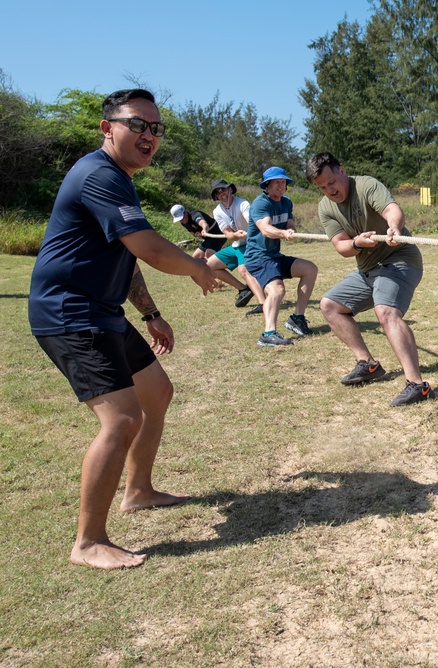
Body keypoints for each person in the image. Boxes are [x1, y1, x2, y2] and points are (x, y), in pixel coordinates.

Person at [27, 88, 218, 570]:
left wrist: (151, 314)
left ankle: (139, 491)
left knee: (156, 391)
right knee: (122, 418)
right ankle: (88, 542)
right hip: (69, 312)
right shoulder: (98, 174)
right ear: (107, 127)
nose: (149, 135)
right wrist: (197, 269)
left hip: (103, 311)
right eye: (138, 124)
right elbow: (151, 249)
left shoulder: (119, 179)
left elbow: (129, 256)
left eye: (156, 128)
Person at [305, 152, 434, 406]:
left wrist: (394, 227)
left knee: (385, 311)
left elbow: (392, 209)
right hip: (368, 269)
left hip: (400, 259)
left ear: (342, 170)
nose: (329, 190)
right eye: (322, 187)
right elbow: (341, 247)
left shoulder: (366, 185)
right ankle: (368, 364)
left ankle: (417, 385)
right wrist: (356, 243)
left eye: (331, 182)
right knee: (329, 305)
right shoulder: (325, 207)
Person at [244, 166, 318, 347]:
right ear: (267, 185)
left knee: (310, 269)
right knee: (277, 290)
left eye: (283, 182)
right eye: (276, 182)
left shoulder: (286, 202)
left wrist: (290, 230)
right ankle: (268, 334)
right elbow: (266, 229)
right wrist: (283, 233)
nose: (281, 185)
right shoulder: (261, 203)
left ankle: (297, 319)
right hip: (258, 258)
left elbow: (290, 223)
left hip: (274, 256)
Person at [206, 179, 265, 314]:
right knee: (209, 265)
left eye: (224, 190)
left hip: (251, 243)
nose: (222, 194)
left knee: (243, 270)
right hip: (237, 244)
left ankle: (263, 304)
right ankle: (243, 289)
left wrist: (246, 234)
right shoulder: (217, 211)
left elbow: (251, 222)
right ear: (216, 196)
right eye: (218, 192)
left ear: (230, 190)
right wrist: (235, 235)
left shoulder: (242, 203)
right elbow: (227, 232)